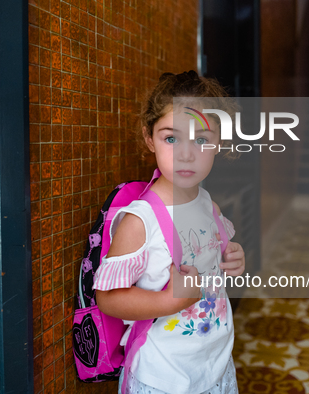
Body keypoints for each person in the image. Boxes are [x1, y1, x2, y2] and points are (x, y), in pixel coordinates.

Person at [93, 70, 245, 394]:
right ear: (150, 138)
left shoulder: (208, 205)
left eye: (201, 139)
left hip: (215, 365)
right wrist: (166, 302)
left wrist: (232, 259)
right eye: (171, 138)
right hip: (164, 377)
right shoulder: (140, 221)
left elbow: (211, 269)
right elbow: (107, 299)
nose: (186, 153)